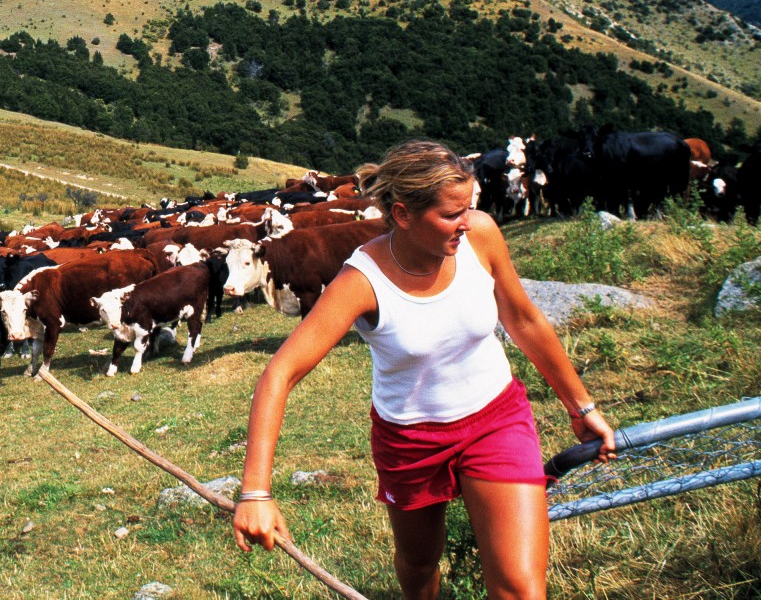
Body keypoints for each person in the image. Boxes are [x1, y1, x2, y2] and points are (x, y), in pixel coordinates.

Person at [233, 140, 615, 600]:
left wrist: (581, 405)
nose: (466, 222)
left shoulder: (481, 235)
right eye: (451, 214)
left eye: (468, 208)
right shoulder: (361, 281)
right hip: (410, 439)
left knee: (519, 588)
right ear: (402, 215)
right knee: (418, 567)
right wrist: (255, 491)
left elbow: (524, 320)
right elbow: (281, 372)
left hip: (496, 419)